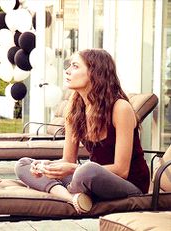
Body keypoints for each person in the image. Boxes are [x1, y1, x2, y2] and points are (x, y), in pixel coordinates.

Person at [15, 49, 150, 214]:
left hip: (129, 185)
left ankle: (67, 191)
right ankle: (73, 198)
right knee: (24, 164)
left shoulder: (120, 108)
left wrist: (72, 169)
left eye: (75, 66)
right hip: (88, 179)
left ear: (95, 73)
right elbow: (68, 159)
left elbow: (122, 170)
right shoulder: (74, 108)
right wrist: (46, 167)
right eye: (69, 66)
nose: (68, 70)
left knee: (87, 170)